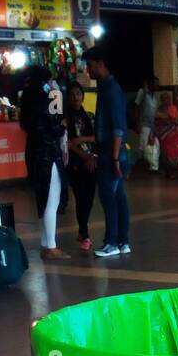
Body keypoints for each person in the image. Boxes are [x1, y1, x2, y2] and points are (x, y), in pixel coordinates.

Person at [18, 65, 68, 261]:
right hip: (48, 156)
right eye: (49, 81)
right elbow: (54, 128)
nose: (52, 84)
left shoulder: (28, 101)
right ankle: (52, 246)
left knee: (42, 200)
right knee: (51, 200)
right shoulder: (46, 101)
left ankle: (46, 243)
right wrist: (61, 127)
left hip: (34, 154)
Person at [84, 46, 130, 259]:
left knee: (109, 198)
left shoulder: (110, 89)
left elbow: (118, 127)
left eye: (90, 65)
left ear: (101, 63)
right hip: (114, 152)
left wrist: (114, 158)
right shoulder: (107, 87)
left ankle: (111, 242)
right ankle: (123, 241)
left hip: (112, 153)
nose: (88, 69)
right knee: (119, 197)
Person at [64, 81, 96, 251]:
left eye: (78, 93)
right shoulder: (64, 119)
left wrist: (84, 142)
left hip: (91, 162)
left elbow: (97, 137)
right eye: (72, 94)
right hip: (75, 164)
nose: (75, 97)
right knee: (81, 197)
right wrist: (83, 154)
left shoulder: (89, 116)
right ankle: (85, 233)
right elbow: (66, 143)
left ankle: (82, 231)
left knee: (89, 198)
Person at [154, 90, 178, 178]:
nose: (167, 100)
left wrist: (170, 120)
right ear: (162, 100)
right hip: (164, 136)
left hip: (174, 136)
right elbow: (157, 121)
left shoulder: (173, 108)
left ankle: (173, 172)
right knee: (165, 154)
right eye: (165, 99)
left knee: (174, 154)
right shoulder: (159, 109)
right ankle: (168, 171)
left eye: (168, 98)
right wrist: (167, 120)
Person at [135, 74, 159, 171]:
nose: (157, 86)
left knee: (152, 145)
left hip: (152, 125)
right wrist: (138, 122)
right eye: (155, 84)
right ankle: (132, 164)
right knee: (142, 147)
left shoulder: (155, 97)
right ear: (150, 84)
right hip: (144, 124)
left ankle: (153, 167)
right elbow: (136, 107)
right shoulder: (142, 92)